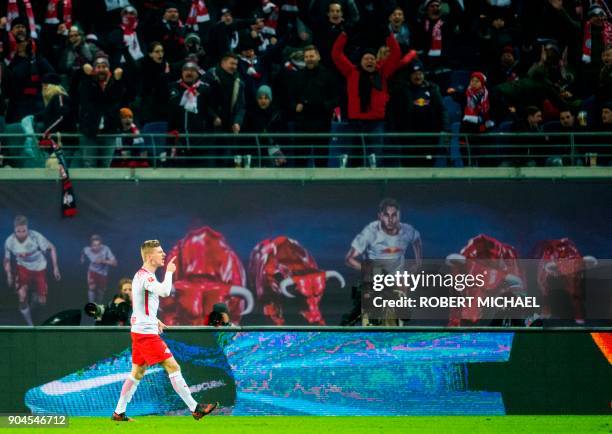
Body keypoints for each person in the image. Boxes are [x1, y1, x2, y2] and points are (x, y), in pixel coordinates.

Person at [111, 239, 218, 422]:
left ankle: (119, 413)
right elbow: (165, 292)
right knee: (173, 366)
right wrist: (169, 273)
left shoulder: (139, 275)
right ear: (150, 256)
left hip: (141, 330)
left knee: (137, 372)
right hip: (145, 334)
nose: (164, 255)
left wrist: (155, 320)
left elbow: (140, 305)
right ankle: (195, 408)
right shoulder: (147, 277)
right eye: (160, 252)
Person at [3, 215, 61, 326]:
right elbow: (6, 259)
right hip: (23, 268)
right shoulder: (10, 241)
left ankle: (35, 299)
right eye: (18, 231)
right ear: (14, 229)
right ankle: (30, 325)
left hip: (39, 269)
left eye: (23, 231)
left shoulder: (35, 237)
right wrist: (9, 275)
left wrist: (56, 268)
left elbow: (52, 247)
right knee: (22, 297)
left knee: (41, 302)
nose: (21, 234)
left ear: (27, 228)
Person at [345, 198, 422, 273]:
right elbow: (349, 259)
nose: (390, 219)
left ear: (399, 216)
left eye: (394, 215)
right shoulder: (370, 232)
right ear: (380, 216)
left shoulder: (407, 230)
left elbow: (416, 240)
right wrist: (373, 271)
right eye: (386, 215)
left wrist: (418, 263)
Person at [81, 234, 118, 304]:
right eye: (94, 245)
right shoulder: (87, 250)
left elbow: (115, 263)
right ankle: (91, 305)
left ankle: (99, 305)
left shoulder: (106, 249)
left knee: (101, 291)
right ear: (91, 245)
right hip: (92, 271)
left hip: (103, 273)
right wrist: (82, 258)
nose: (96, 247)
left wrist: (103, 261)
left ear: (101, 245)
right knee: (92, 287)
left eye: (98, 245)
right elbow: (83, 251)